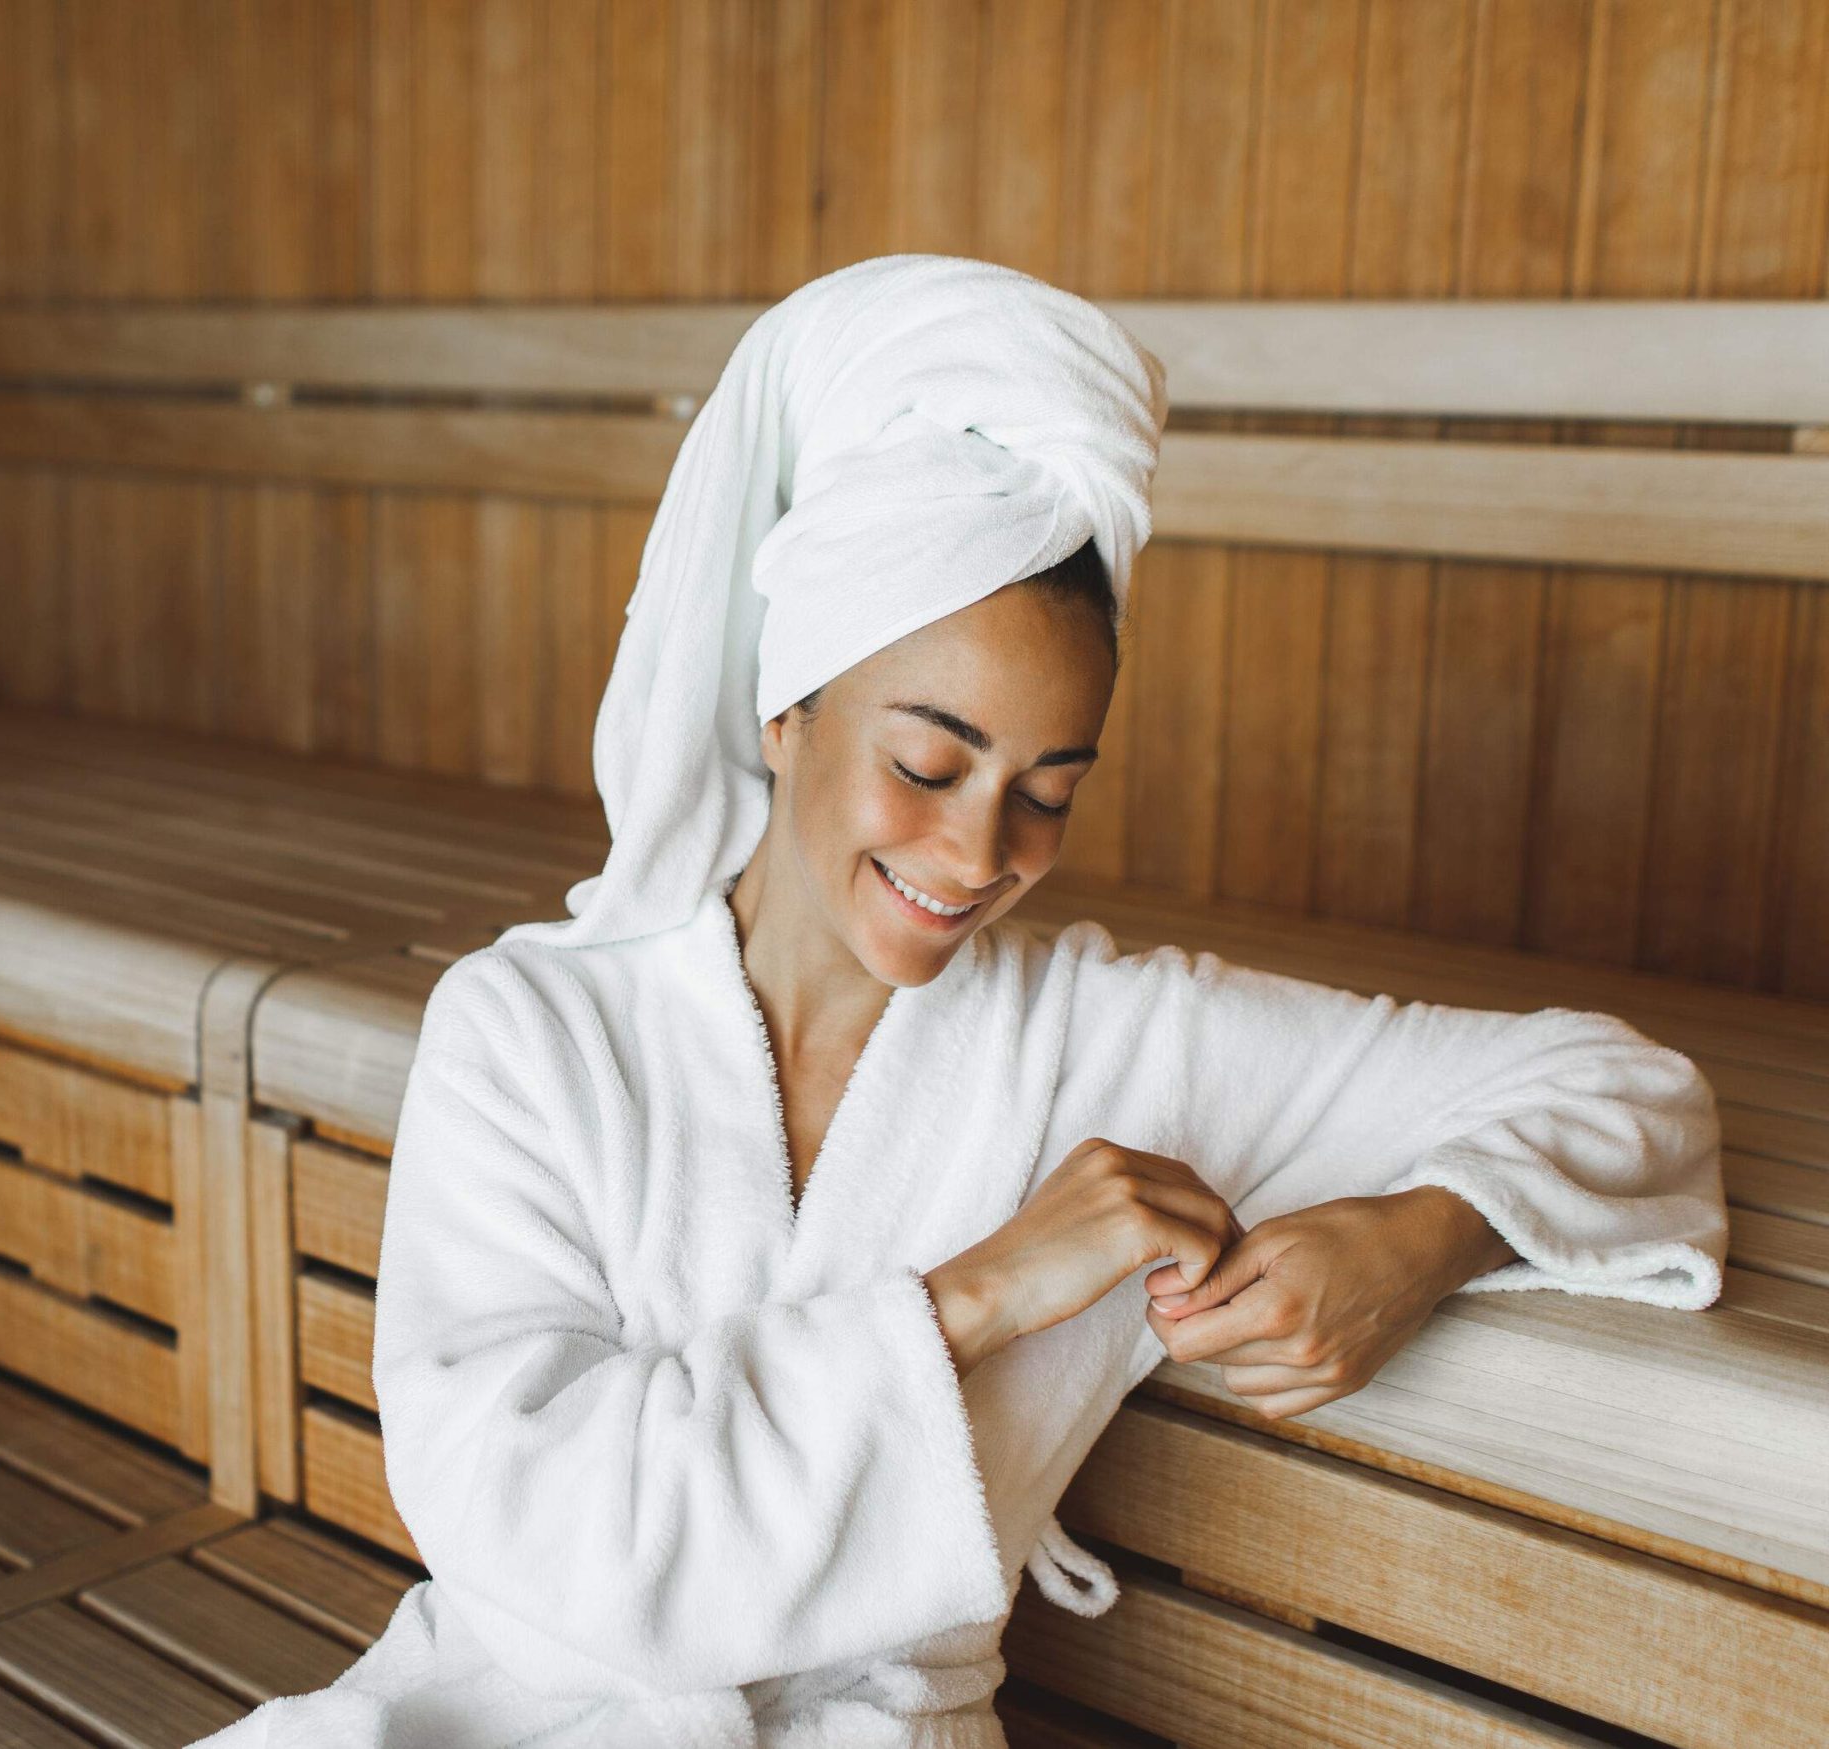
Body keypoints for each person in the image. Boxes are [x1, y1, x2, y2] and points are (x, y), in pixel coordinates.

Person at [188, 255, 1728, 1748]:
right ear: (784, 708)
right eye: (927, 765)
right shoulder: (528, 1030)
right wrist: (988, 1288)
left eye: (1048, 791)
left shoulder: (1114, 1039)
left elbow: (1623, 1087)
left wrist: (1424, 1235)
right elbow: (543, 1524)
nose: (980, 851)